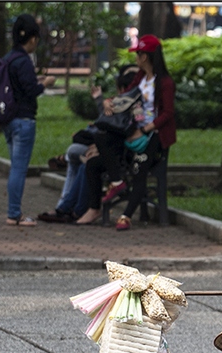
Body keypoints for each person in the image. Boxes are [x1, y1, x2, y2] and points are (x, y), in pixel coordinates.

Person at [75, 34, 176, 230]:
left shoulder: (165, 83)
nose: (135, 58)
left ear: (144, 57)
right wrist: (108, 102)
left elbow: (168, 114)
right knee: (96, 154)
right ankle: (106, 194)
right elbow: (125, 97)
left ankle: (126, 215)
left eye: (137, 54)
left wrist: (144, 130)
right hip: (132, 130)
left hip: (153, 136)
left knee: (139, 170)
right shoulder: (140, 78)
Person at [38, 65, 139, 224]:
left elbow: (121, 131)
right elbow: (107, 121)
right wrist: (100, 101)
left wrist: (100, 147)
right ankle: (66, 208)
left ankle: (73, 209)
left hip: (119, 154)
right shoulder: (120, 103)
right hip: (106, 149)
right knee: (82, 161)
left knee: (81, 159)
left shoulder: (134, 107)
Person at [2, 14, 56, 227]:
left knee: (15, 167)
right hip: (23, 121)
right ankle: (14, 213)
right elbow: (31, 90)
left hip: (9, 119)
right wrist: (46, 82)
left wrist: (36, 80)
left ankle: (14, 211)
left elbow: (19, 85)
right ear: (32, 39)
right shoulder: (23, 60)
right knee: (18, 169)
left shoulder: (9, 58)